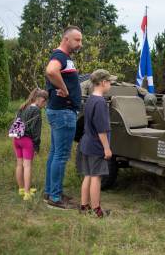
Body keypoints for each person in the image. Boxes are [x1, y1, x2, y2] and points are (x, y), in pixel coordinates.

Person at [44, 25, 83, 209]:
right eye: (77, 40)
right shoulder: (59, 56)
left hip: (58, 111)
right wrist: (66, 90)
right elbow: (51, 71)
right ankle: (55, 196)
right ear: (66, 39)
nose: (80, 44)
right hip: (64, 112)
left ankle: (50, 191)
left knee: (54, 153)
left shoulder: (64, 58)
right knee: (61, 155)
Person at [77, 69, 116, 218]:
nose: (111, 84)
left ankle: (84, 206)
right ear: (103, 82)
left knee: (88, 175)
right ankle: (96, 210)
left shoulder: (90, 98)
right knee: (96, 177)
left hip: (86, 143)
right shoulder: (100, 103)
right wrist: (107, 148)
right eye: (110, 82)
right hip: (96, 146)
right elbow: (102, 130)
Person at [12, 88, 48, 201]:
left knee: (19, 165)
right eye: (44, 102)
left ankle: (21, 189)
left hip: (16, 139)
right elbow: (35, 131)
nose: (45, 104)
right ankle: (27, 194)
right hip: (27, 141)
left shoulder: (23, 106)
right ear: (40, 99)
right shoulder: (36, 110)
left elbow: (16, 123)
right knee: (27, 166)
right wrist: (36, 146)